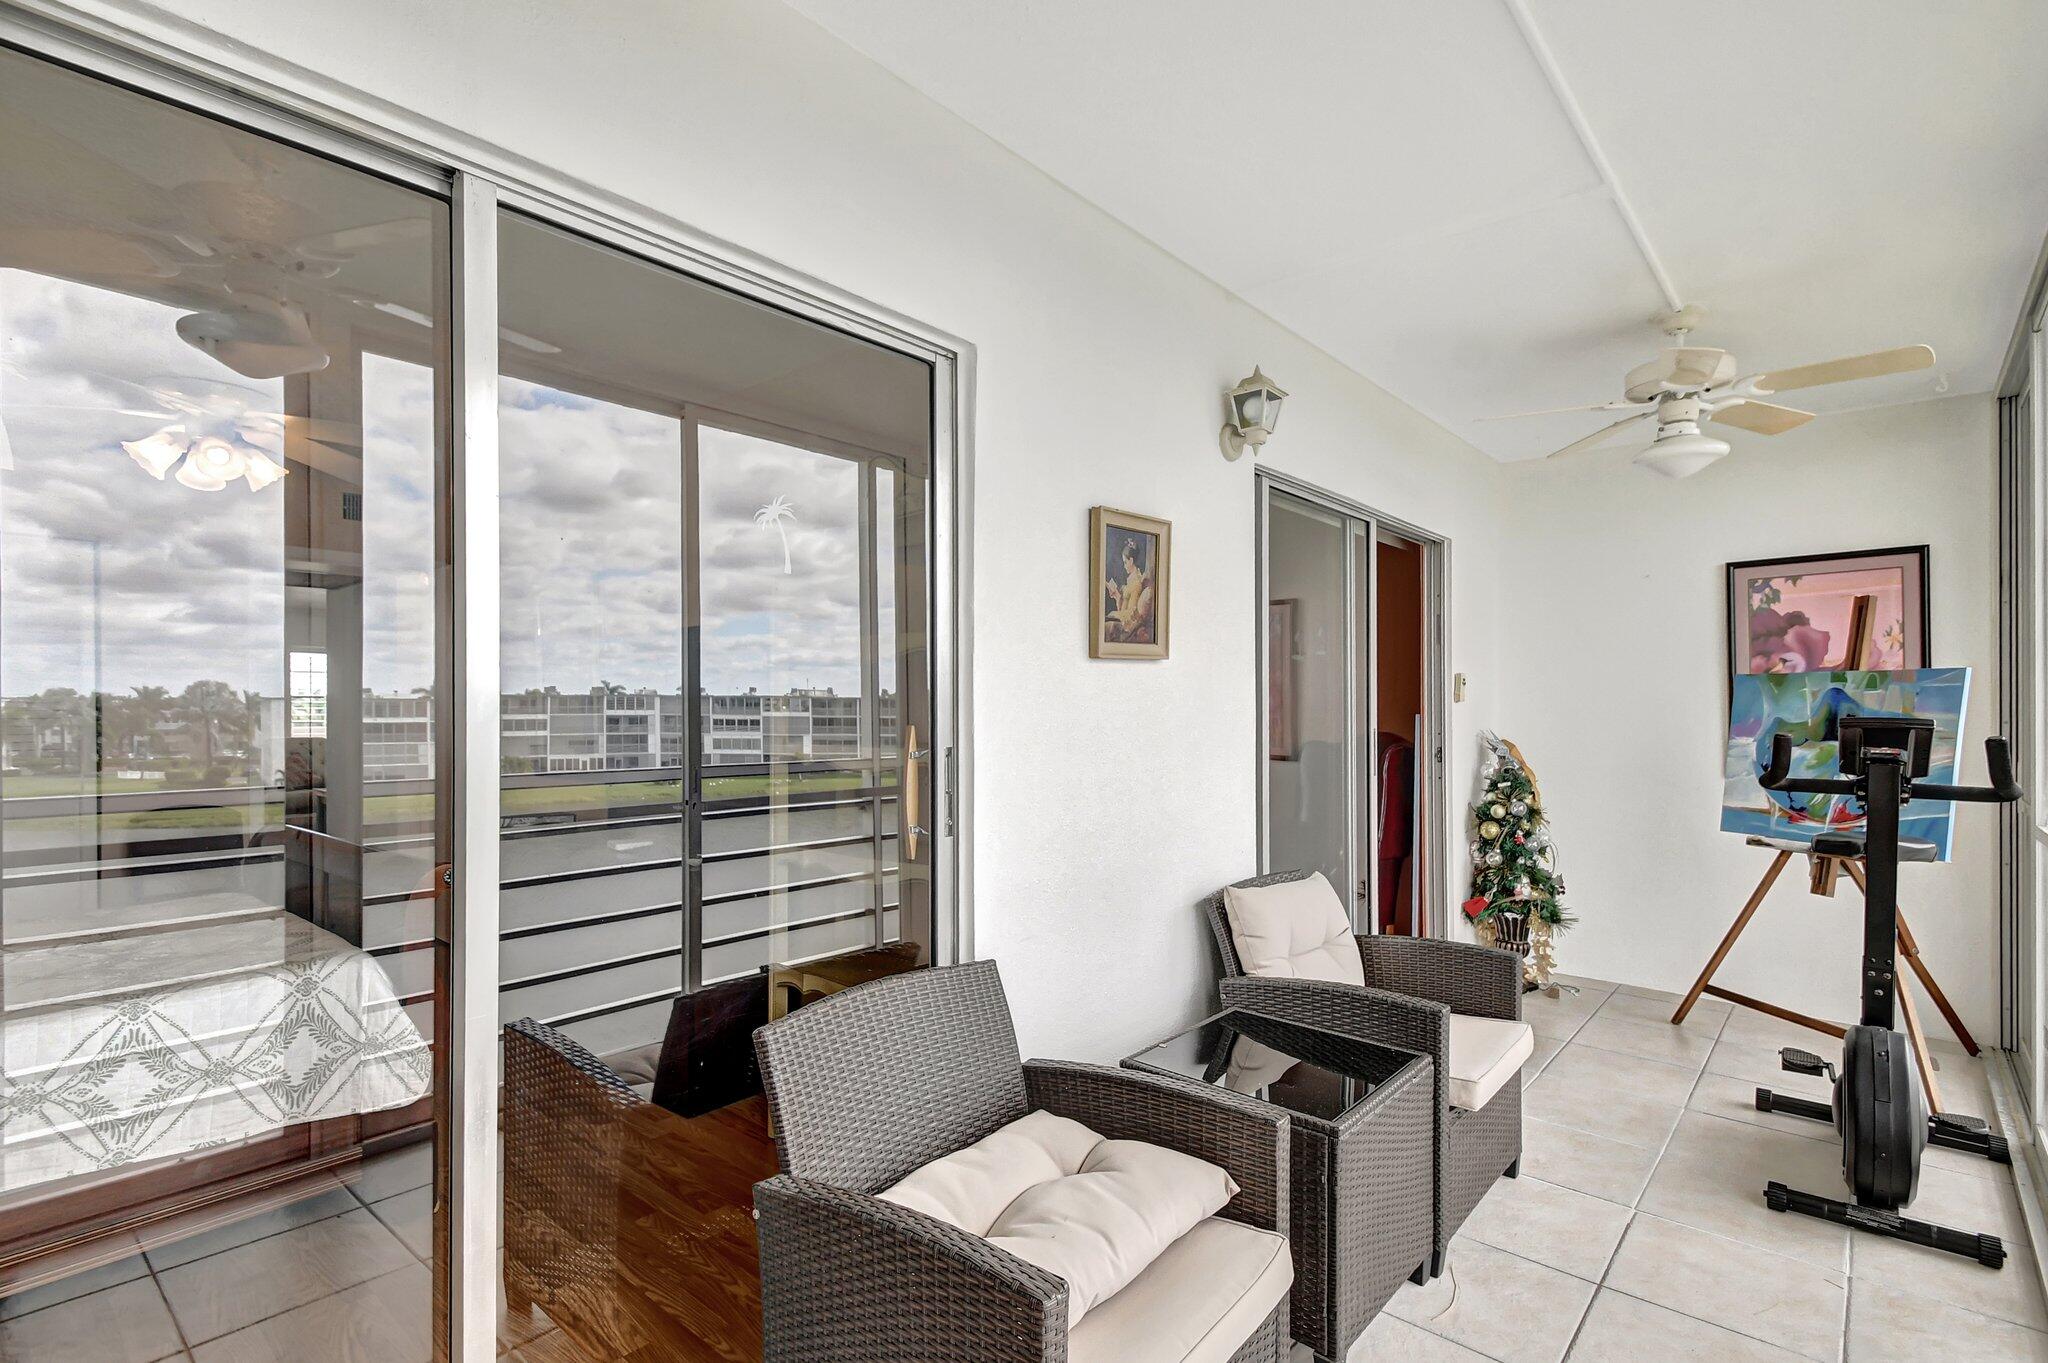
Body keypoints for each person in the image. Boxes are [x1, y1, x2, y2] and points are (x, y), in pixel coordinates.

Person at [1105, 537, 1154, 643]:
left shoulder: (1136, 583)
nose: (1124, 566)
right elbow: (1123, 609)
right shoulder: (1131, 581)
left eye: (1125, 562)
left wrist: (1114, 613)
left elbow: (1130, 613)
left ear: (1131, 561)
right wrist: (1117, 597)